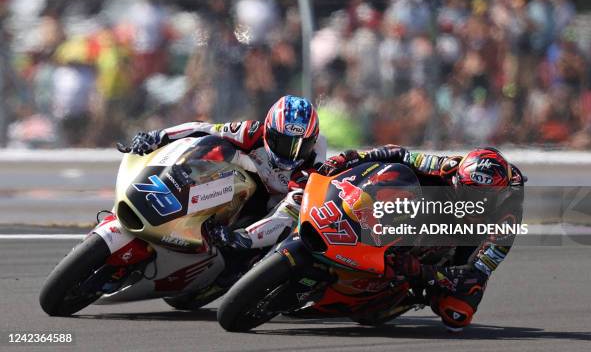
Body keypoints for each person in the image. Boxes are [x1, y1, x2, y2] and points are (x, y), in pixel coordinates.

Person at [318, 145, 525, 332]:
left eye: (485, 198)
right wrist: (350, 157)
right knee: (398, 180)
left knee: (457, 313)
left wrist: (422, 271)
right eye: (469, 195)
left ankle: (411, 292)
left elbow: (477, 272)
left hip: (467, 243)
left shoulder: (508, 218)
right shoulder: (449, 167)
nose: (475, 203)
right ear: (457, 181)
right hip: (436, 212)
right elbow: (401, 155)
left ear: (501, 194)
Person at [126, 95, 326, 251]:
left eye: (301, 146)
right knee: (217, 147)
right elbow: (204, 130)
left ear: (313, 141)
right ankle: (178, 195)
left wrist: (242, 237)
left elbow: (287, 215)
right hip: (247, 182)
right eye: (283, 143)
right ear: (269, 132)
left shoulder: (312, 168)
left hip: (272, 206)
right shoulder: (252, 131)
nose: (290, 153)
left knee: (291, 228)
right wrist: (157, 137)